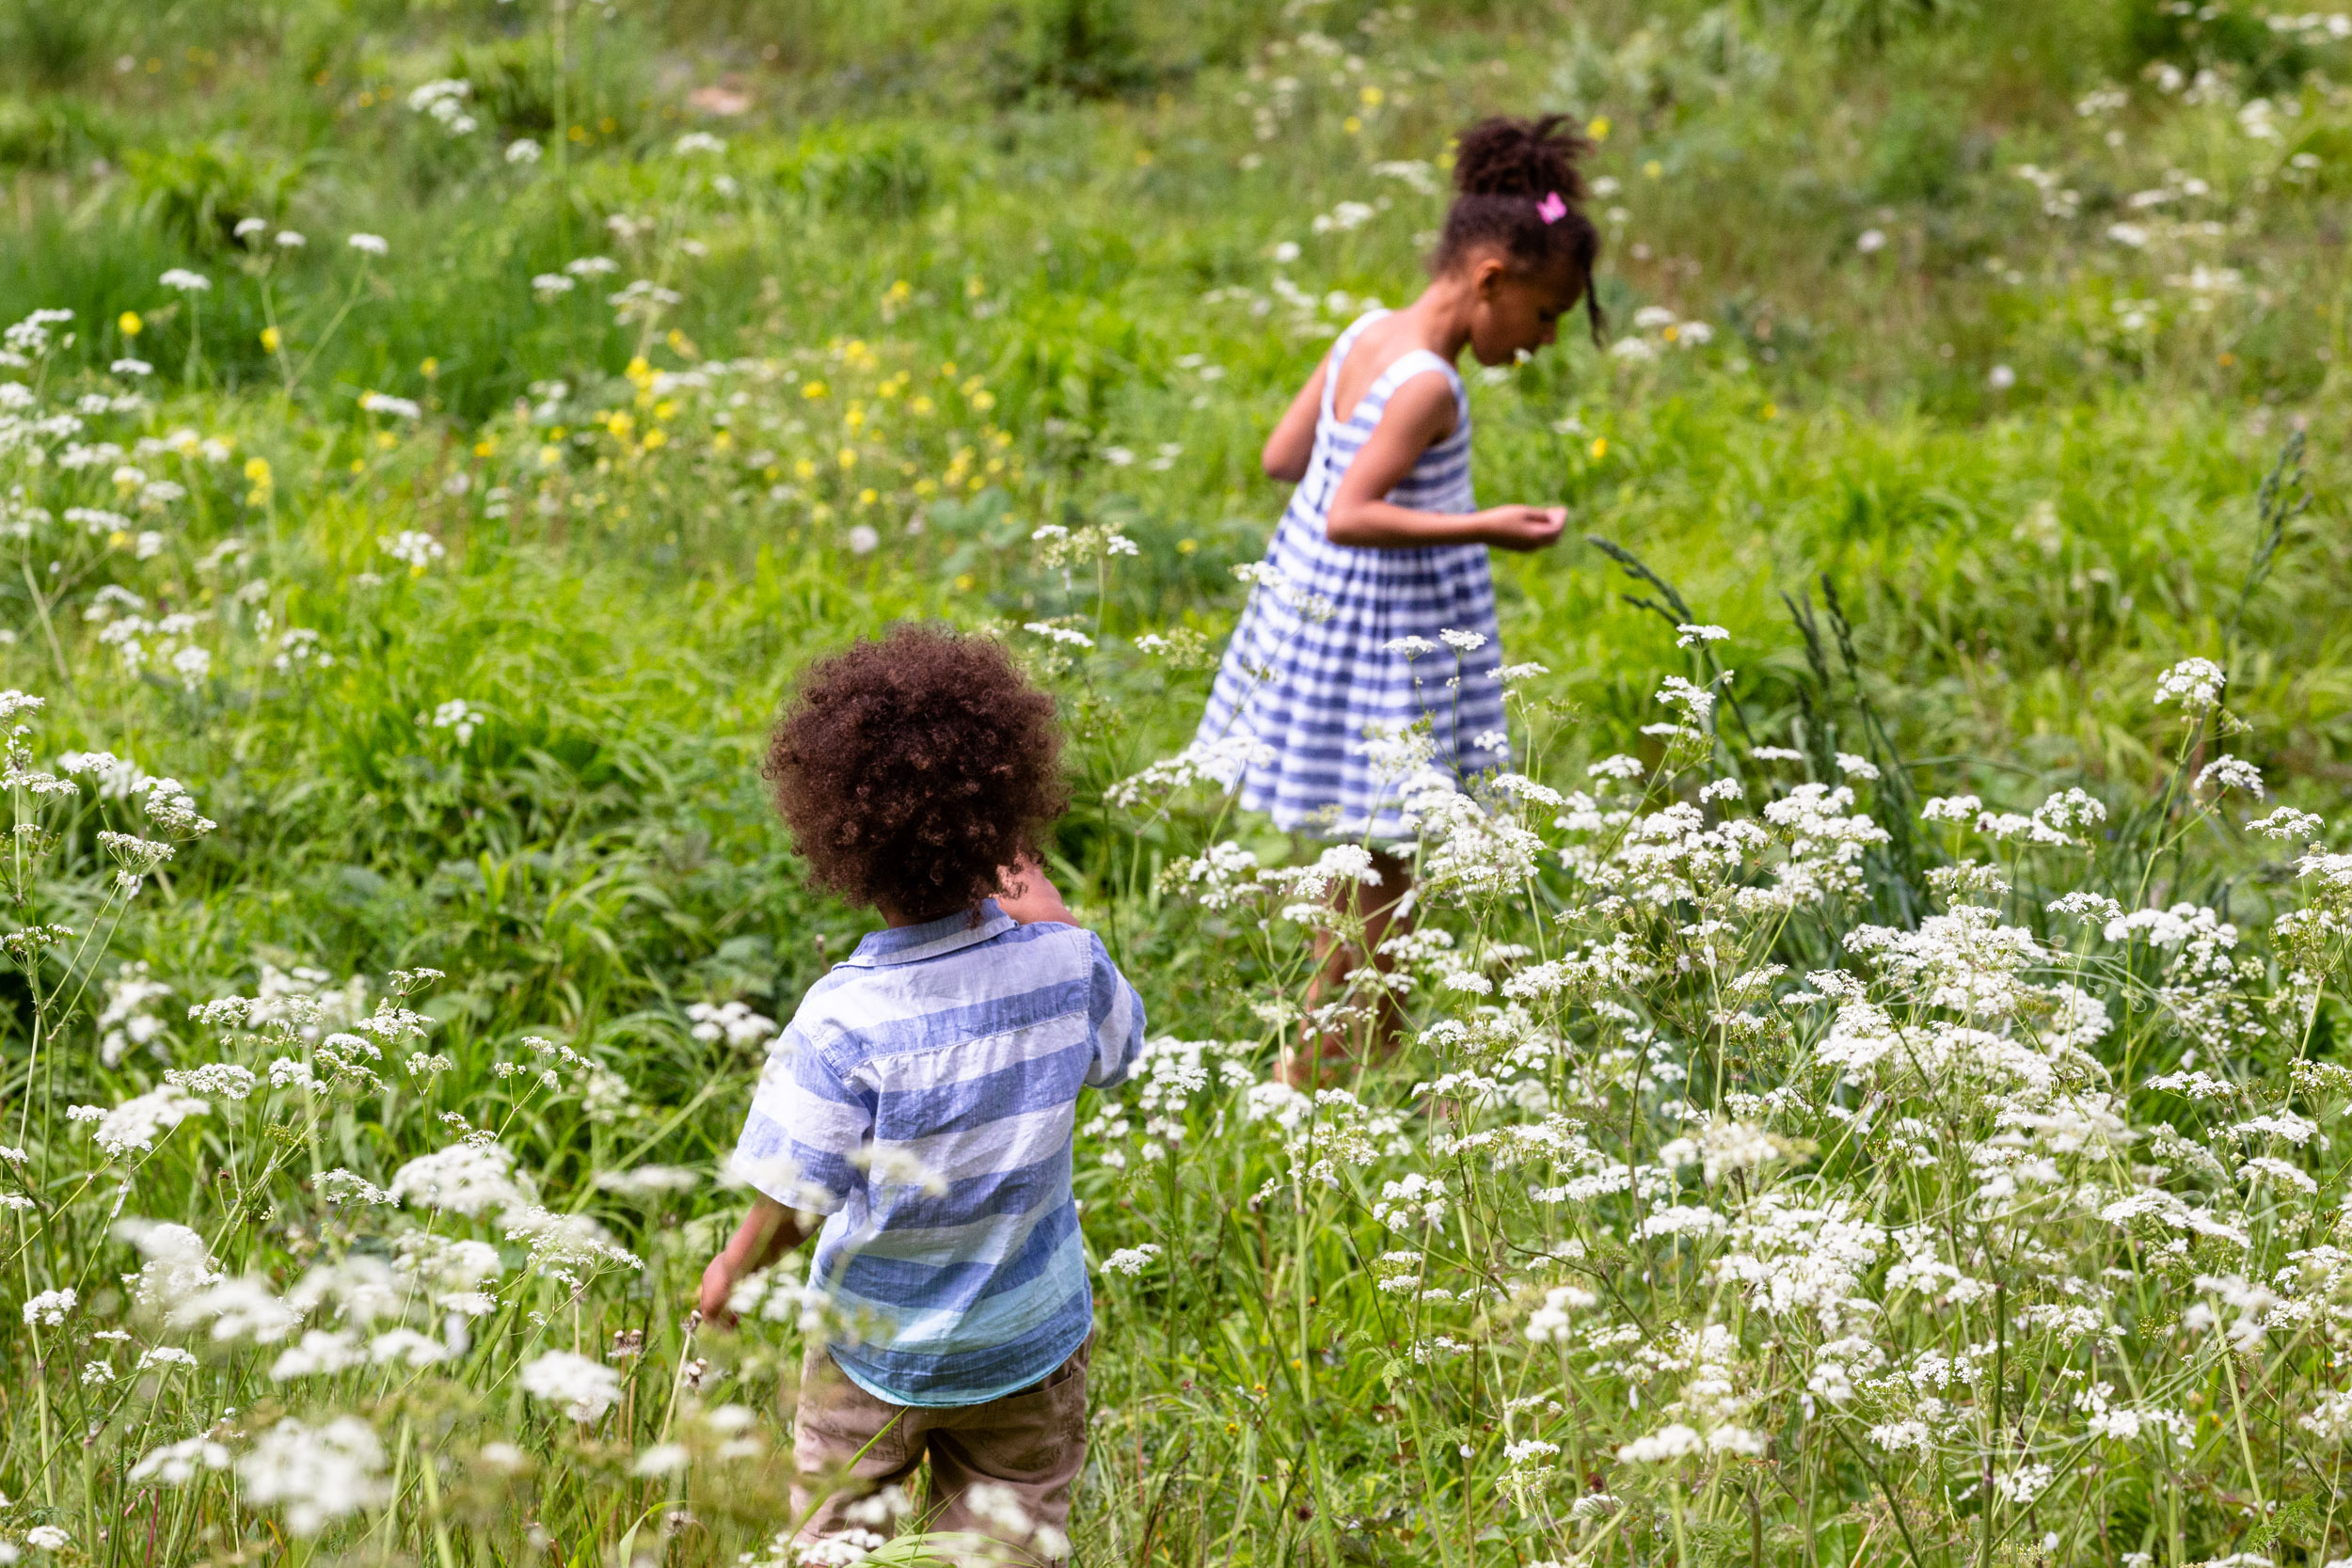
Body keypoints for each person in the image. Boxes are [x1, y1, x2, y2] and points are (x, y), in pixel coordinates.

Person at [698, 625, 1144, 1566]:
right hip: (1026, 1343)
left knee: (834, 1535)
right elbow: (1119, 1050)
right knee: (1003, 1543)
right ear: (1005, 817)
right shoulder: (1065, 963)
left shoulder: (843, 1017)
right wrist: (1050, 908)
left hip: (875, 1351)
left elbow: (794, 1192)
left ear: (840, 841)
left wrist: (732, 1270)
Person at [1191, 113, 1602, 1086]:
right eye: (1545, 314)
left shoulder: (1365, 333)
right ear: (1491, 279)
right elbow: (1349, 510)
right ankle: (1334, 1067)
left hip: (1317, 629)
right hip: (1383, 650)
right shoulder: (1429, 386)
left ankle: (1333, 1051)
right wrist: (1483, 523)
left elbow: (1282, 459)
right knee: (1383, 873)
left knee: (1357, 858)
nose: (1543, 340)